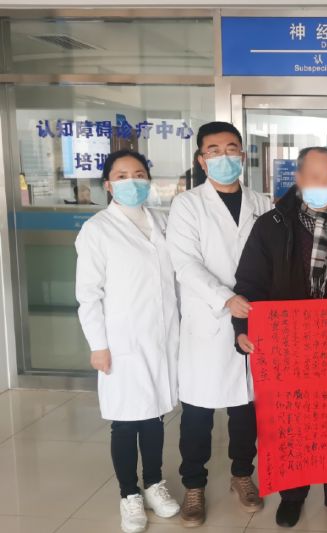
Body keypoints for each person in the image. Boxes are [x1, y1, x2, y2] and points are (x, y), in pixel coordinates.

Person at [233, 146, 327, 529]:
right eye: (313, 176)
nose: (321, 184)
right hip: (289, 342)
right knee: (293, 422)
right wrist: (243, 329)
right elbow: (250, 281)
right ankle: (293, 494)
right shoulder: (272, 225)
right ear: (298, 179)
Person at [166, 121, 272, 527]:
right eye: (214, 150)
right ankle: (194, 485)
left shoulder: (262, 203)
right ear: (201, 159)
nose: (223, 156)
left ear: (243, 155)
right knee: (198, 411)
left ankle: (242, 475)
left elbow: (275, 258)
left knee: (246, 407)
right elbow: (185, 263)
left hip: (254, 319)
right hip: (209, 321)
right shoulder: (187, 205)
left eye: (231, 148)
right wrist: (224, 297)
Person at [75, 149, 181, 533]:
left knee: (153, 416)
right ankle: (129, 495)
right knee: (124, 421)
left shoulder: (162, 222)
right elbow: (89, 294)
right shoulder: (97, 230)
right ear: (108, 184)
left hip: (162, 337)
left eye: (138, 174)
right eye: (122, 176)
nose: (132, 181)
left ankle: (153, 484)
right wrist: (98, 344)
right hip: (122, 340)